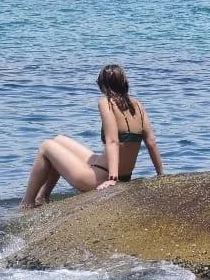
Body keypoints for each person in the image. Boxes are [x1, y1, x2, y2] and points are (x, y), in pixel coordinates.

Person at [20, 64, 164, 209]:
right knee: (59, 140)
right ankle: (42, 197)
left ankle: (27, 203)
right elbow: (151, 142)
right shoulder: (138, 105)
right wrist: (160, 175)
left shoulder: (106, 102)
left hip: (100, 177)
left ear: (103, 85)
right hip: (112, 170)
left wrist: (113, 179)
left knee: (46, 146)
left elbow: (112, 140)